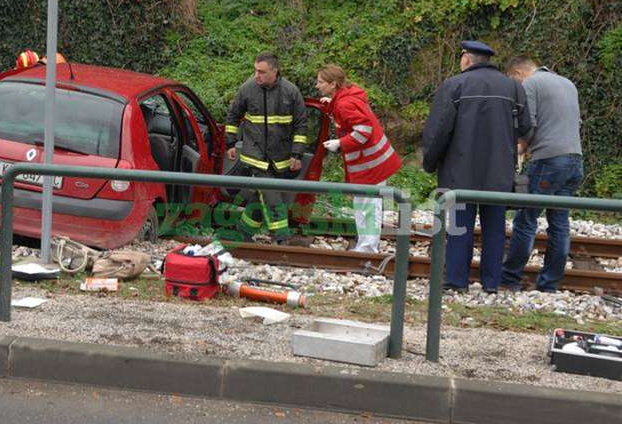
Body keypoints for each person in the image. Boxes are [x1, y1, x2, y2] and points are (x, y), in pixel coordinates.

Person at [422, 40, 531, 293]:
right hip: (499, 172)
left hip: (459, 171)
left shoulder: (454, 85)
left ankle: (456, 282)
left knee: (459, 228)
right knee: (494, 229)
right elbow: (525, 126)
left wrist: (429, 162)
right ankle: (491, 284)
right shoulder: (513, 87)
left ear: (467, 59)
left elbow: (438, 131)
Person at [501, 56, 583, 292]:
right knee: (559, 223)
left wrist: (519, 149)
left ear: (517, 74)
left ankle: (509, 278)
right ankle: (549, 284)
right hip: (575, 161)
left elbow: (529, 124)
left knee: (526, 217)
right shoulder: (567, 83)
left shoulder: (530, 84)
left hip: (548, 160)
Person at [315, 65, 401, 253]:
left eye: (321, 82)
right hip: (374, 162)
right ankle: (366, 245)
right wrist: (331, 105)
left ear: (333, 84)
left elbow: (363, 131)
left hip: (370, 165)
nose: (317, 85)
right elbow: (349, 117)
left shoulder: (345, 103)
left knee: (367, 206)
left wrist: (340, 143)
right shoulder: (347, 97)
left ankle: (368, 248)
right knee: (365, 205)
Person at [224, 52, 308, 244]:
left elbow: (301, 125)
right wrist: (230, 142)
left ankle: (243, 231)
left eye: (261, 72)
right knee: (271, 194)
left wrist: (297, 153)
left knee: (259, 196)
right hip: (255, 156)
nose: (256, 76)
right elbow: (233, 116)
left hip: (281, 156)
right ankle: (281, 237)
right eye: (255, 71)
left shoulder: (291, 92)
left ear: (274, 71)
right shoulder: (247, 89)